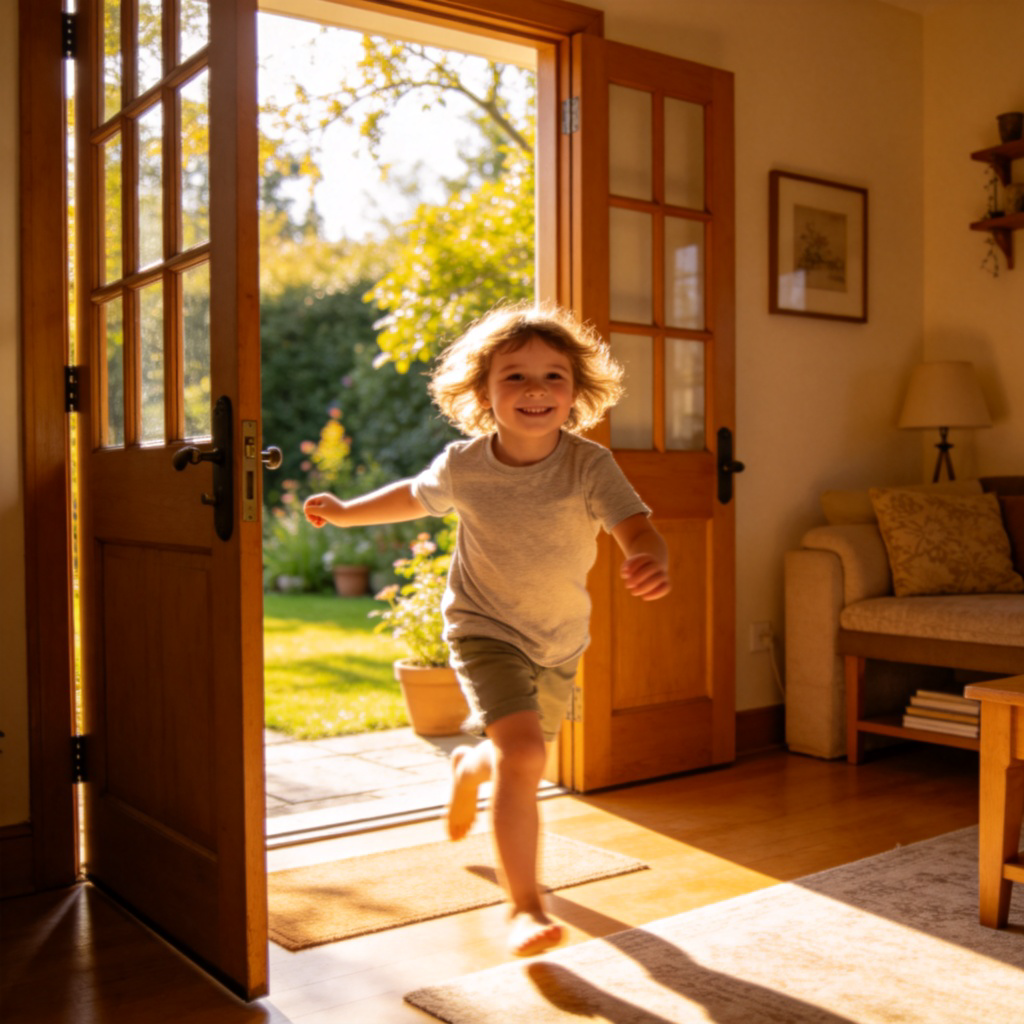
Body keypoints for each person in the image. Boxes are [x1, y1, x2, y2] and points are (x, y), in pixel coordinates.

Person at [304, 302, 670, 957]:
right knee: (527, 758)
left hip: (558, 641)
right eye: (516, 377)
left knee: (515, 758)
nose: (536, 390)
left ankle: (471, 768)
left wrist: (648, 556)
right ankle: (526, 908)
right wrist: (345, 512)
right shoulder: (464, 464)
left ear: (577, 393)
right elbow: (411, 496)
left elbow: (635, 526)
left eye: (554, 377)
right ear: (482, 393)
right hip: (483, 628)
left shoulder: (590, 466)